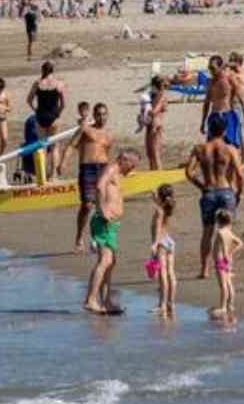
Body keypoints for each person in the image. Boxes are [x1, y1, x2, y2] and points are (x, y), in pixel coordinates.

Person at [185, 114, 244, 279]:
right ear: (225, 130)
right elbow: (240, 174)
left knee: (207, 232)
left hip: (209, 192)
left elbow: (188, 172)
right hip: (225, 190)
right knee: (225, 231)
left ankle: (204, 269)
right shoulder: (230, 149)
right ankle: (225, 266)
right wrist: (239, 192)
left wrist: (201, 186)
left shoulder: (200, 149)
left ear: (210, 129)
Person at [84, 150, 140, 314]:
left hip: (111, 224)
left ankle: (106, 301)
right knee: (105, 261)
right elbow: (100, 186)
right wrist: (102, 210)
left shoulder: (116, 172)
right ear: (124, 159)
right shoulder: (111, 169)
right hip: (103, 222)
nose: (132, 169)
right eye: (132, 165)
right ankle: (90, 300)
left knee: (111, 261)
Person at [60, 102, 113, 254]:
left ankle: (98, 238)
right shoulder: (85, 129)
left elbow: (107, 154)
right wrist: (64, 162)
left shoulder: (109, 134)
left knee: (101, 206)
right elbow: (71, 145)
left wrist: (113, 173)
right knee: (87, 206)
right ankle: (78, 237)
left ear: (107, 115)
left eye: (104, 114)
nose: (101, 117)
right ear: (94, 115)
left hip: (103, 169)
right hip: (88, 169)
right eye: (98, 114)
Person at [200, 55, 244, 157]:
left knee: (231, 147)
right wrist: (203, 122)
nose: (211, 71)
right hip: (213, 116)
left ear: (220, 67)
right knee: (212, 149)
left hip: (228, 115)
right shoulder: (210, 82)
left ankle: (237, 167)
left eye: (213, 68)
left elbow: (243, 101)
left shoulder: (230, 79)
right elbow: (206, 103)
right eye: (209, 68)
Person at [209, 209, 244, 320]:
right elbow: (240, 243)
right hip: (227, 260)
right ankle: (230, 305)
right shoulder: (229, 232)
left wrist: (226, 254)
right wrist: (231, 253)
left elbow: (223, 245)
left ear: (218, 221)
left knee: (223, 285)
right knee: (228, 283)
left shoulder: (221, 232)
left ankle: (223, 306)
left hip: (221, 260)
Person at [149, 184, 177, 316]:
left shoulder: (159, 210)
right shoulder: (169, 206)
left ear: (161, 197)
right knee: (171, 273)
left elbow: (158, 227)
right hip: (170, 242)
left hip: (161, 242)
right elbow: (161, 204)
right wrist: (156, 197)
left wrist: (155, 243)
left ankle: (162, 305)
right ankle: (171, 302)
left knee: (162, 274)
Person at [26, 60, 66, 139]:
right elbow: (63, 104)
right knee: (54, 146)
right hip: (53, 116)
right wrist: (58, 113)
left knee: (42, 144)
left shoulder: (37, 83)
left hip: (40, 116)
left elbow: (29, 100)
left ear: (42, 70)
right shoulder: (59, 84)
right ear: (52, 70)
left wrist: (35, 110)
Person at [144, 76, 169, 170]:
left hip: (156, 126)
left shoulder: (161, 97)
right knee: (150, 153)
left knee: (155, 152)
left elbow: (154, 111)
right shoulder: (153, 96)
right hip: (151, 125)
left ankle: (159, 175)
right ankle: (152, 174)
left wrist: (146, 111)